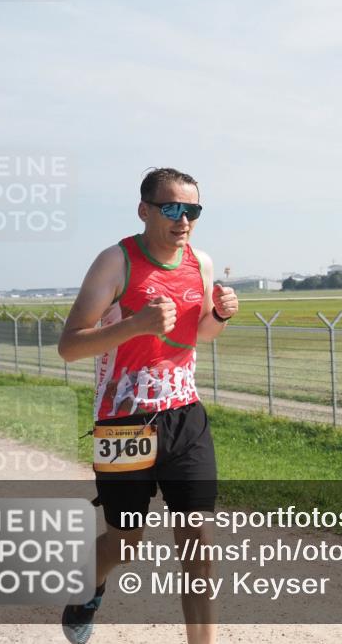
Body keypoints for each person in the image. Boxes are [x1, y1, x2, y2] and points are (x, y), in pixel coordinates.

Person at [58, 167, 238, 644]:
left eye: (192, 210)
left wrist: (218, 315)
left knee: (198, 541)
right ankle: (87, 587)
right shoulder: (114, 262)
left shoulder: (200, 263)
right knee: (125, 541)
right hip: (124, 422)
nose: (184, 219)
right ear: (145, 210)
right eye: (172, 208)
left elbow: (196, 335)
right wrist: (135, 325)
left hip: (185, 414)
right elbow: (70, 345)